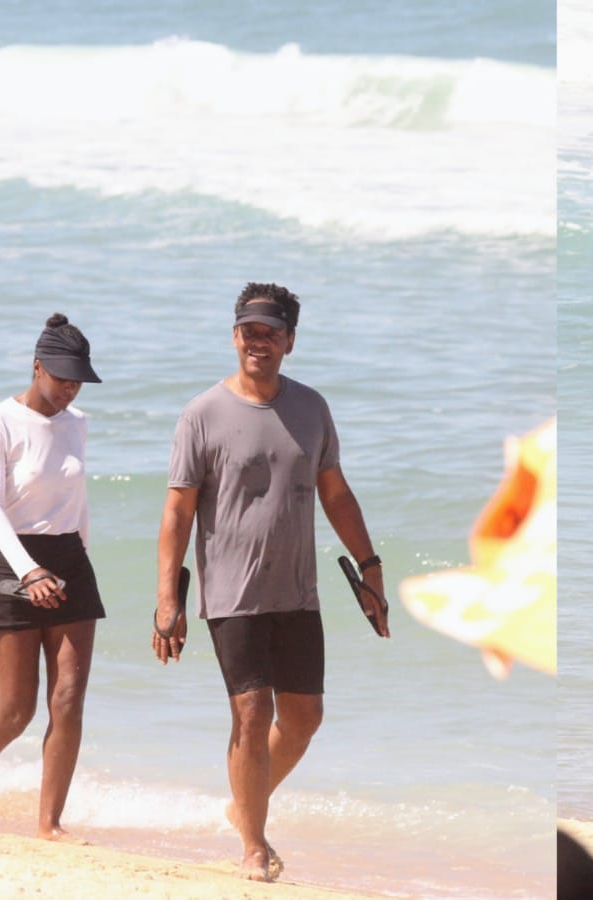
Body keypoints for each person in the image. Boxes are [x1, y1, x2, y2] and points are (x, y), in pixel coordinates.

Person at [153, 282, 390, 882]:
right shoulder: (202, 414)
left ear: (290, 340)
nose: (259, 341)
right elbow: (178, 511)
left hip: (297, 591)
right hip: (230, 594)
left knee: (304, 718)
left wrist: (370, 569)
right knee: (252, 714)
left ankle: (243, 806)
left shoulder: (311, 409)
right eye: (249, 330)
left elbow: (335, 494)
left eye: (272, 332)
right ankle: (253, 846)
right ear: (235, 335)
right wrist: (167, 601)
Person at [0, 313, 104, 841]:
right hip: (12, 562)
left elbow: (76, 500)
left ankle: (50, 823)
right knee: (16, 709)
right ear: (37, 366)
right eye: (61, 376)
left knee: (67, 698)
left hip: (69, 563)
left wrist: (77, 563)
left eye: (77, 380)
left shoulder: (78, 423)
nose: (69, 388)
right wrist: (31, 569)